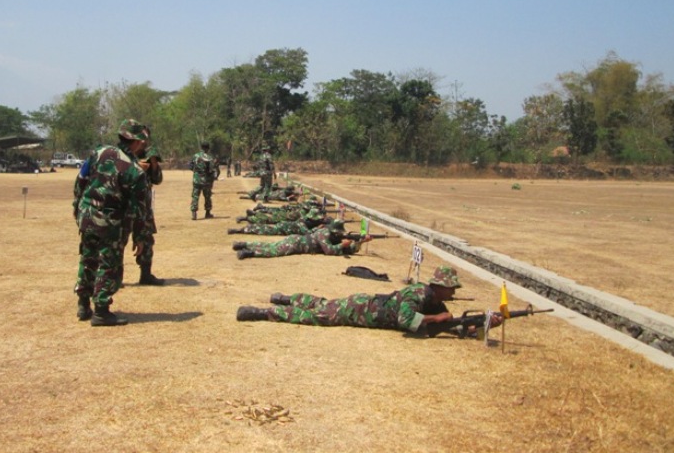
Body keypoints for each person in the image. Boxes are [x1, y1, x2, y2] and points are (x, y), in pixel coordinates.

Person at [236, 266, 503, 336]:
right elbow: (405, 321)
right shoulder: (417, 295)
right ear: (440, 286)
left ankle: (284, 298)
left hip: (366, 303)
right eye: (451, 288)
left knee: (322, 303)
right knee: (318, 315)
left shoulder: (433, 301)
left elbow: (449, 326)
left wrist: (485, 324)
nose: (454, 293)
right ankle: (262, 312)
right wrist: (438, 319)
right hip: (361, 311)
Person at [73, 119, 152, 327]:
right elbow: (139, 210)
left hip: (87, 214)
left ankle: (83, 304)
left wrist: (77, 208)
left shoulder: (99, 152)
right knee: (109, 264)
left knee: (88, 258)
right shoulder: (135, 171)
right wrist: (140, 238)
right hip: (110, 222)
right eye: (142, 142)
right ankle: (101, 310)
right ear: (136, 141)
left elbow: (80, 180)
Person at [231, 219, 371, 259]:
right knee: (274, 251)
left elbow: (349, 250)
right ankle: (249, 252)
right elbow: (329, 251)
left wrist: (360, 242)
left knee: (271, 245)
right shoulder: (324, 234)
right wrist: (342, 245)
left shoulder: (328, 233)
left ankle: (245, 244)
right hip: (297, 244)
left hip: (297, 240)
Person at [136, 139, 165, 285]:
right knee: (118, 242)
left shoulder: (150, 153)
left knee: (147, 241)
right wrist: (136, 167)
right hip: (124, 207)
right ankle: (115, 276)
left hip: (144, 208)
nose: (143, 143)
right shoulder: (123, 155)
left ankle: (145, 274)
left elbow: (158, 180)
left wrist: (153, 165)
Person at [190, 141, 217, 220]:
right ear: (208, 148)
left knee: (195, 196)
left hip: (196, 179)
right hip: (206, 180)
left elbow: (191, 166)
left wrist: (197, 173)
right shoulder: (209, 158)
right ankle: (207, 213)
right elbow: (211, 171)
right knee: (207, 196)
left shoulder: (195, 156)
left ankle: (194, 213)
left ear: (201, 147)